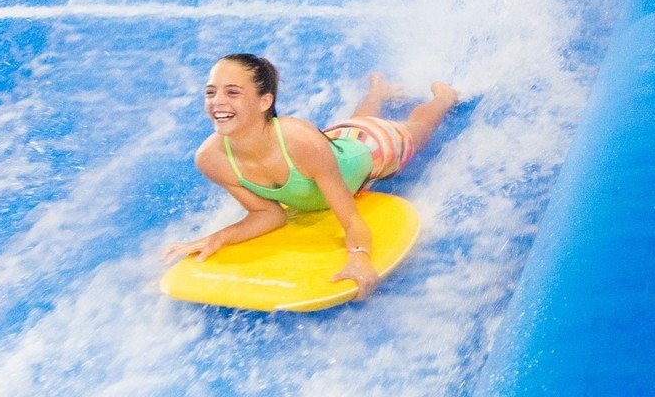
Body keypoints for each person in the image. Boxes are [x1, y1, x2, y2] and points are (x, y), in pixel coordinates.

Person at [164, 54, 460, 298]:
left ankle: (444, 98)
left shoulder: (299, 140)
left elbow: (353, 219)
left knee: (416, 129)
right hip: (335, 144)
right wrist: (218, 238)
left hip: (373, 150)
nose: (217, 102)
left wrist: (359, 255)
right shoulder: (211, 159)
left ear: (264, 102)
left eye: (233, 92)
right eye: (210, 92)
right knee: (352, 124)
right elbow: (268, 215)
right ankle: (377, 93)